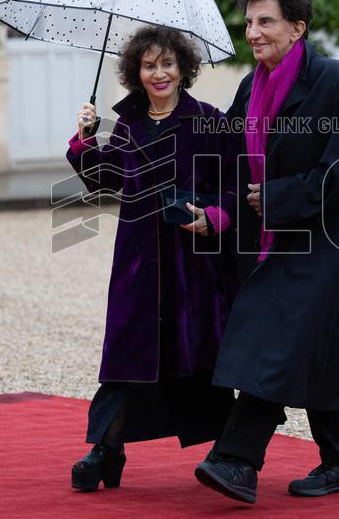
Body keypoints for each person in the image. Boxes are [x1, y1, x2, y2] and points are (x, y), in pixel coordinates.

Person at [193, 0, 339, 504]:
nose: (253, 31)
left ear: (298, 27)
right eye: (248, 21)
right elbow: (229, 161)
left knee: (271, 341)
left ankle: (236, 461)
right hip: (265, 240)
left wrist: (278, 199)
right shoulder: (250, 86)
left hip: (325, 240)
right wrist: (212, 210)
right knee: (302, 347)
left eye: (265, 20)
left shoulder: (337, 82)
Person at [66, 26, 237, 492]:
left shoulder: (209, 120)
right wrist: (85, 140)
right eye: (148, 65)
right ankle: (106, 449)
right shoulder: (129, 124)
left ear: (183, 67)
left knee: (200, 356)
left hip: (193, 266)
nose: (158, 73)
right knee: (127, 353)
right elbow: (107, 180)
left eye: (167, 63)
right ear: (135, 72)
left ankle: (232, 453)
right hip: (138, 261)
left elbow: (234, 186)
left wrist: (214, 217)